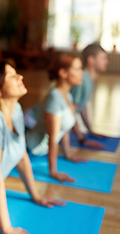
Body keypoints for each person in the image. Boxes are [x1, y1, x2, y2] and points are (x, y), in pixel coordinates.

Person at [0, 62, 65, 234]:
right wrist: (7, 229)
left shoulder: (16, 110)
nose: (20, 77)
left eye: (17, 74)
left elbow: (21, 155)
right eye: (12, 76)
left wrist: (35, 196)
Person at [25, 54, 86, 183]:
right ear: (63, 73)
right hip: (29, 148)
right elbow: (52, 139)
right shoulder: (54, 99)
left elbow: (64, 129)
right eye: (77, 69)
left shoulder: (66, 95)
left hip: (39, 150)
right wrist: (53, 171)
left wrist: (67, 154)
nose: (82, 73)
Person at [70, 43, 109, 148]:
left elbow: (82, 107)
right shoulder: (81, 79)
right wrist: (82, 139)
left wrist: (90, 131)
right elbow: (70, 111)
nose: (107, 62)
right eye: (103, 58)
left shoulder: (88, 79)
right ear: (91, 60)